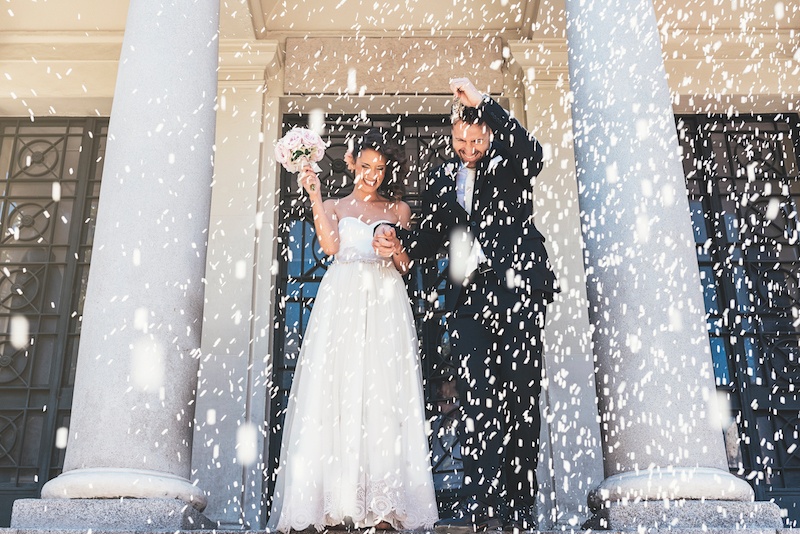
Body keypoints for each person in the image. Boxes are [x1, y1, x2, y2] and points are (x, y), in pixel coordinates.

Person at [373, 78, 558, 532]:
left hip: (518, 293)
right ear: (451, 133)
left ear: (489, 135)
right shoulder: (443, 176)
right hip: (468, 301)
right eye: (460, 140)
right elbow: (434, 233)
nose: (468, 148)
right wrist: (398, 241)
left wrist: (484, 103)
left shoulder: (512, 164)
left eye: (476, 140)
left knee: (519, 399)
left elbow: (535, 154)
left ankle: (517, 510)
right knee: (476, 400)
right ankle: (480, 507)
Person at [267, 129, 439, 532]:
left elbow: (406, 267)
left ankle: (382, 505)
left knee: (382, 395)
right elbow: (329, 246)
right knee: (339, 392)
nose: (372, 175)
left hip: (384, 303)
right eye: (365, 166)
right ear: (351, 163)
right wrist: (313, 194)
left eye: (380, 169)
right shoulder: (336, 205)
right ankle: (339, 500)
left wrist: (394, 248)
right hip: (343, 299)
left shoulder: (398, 210)